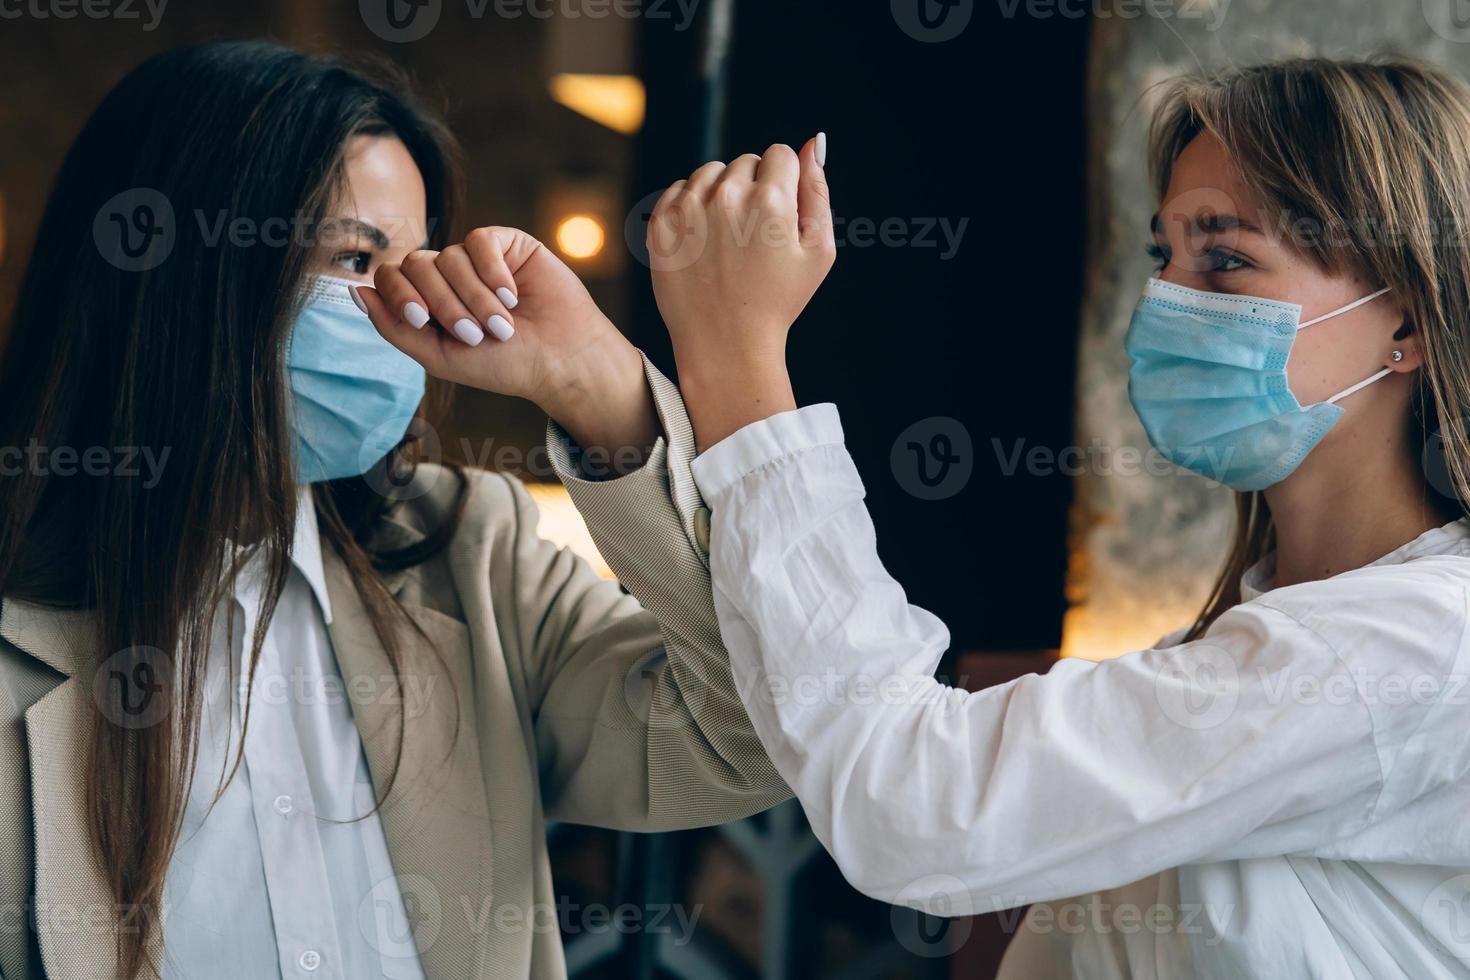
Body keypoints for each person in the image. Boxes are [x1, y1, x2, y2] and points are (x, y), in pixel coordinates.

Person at [537, 57, 1470, 978]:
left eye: (1225, 258)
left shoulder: (1422, 646)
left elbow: (916, 803)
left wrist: (736, 358)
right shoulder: (1242, 643)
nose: (1168, 302)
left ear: (1408, 322)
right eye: (1165, 254)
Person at [0, 40, 790, 980]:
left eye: (416, 261)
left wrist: (600, 391)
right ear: (183, 273)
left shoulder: (473, 557)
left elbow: (756, 734)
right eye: (353, 256)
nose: (401, 307)